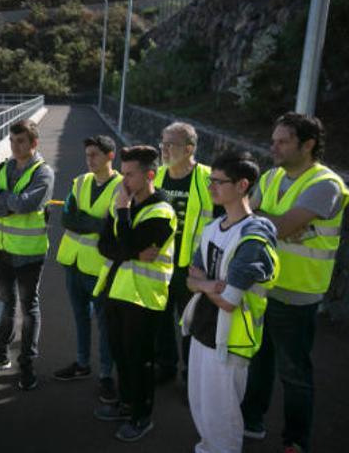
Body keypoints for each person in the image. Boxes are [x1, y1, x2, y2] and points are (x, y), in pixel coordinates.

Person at [241, 113, 349, 453]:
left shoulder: (325, 184)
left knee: (294, 372)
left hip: (297, 294)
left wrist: (264, 220)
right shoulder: (273, 176)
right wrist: (271, 222)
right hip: (264, 287)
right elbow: (244, 218)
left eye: (283, 141)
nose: (273, 146)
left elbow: (275, 225)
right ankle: (252, 421)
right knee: (258, 359)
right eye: (273, 140)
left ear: (308, 145)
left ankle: (295, 441)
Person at [182, 151, 278, 453]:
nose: (211, 187)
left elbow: (228, 301)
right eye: (211, 181)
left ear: (242, 185)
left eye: (218, 182)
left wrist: (203, 284)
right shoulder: (214, 227)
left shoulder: (254, 236)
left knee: (222, 415)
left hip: (230, 339)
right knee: (201, 404)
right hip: (202, 329)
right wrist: (207, 284)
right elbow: (190, 279)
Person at [92, 145, 176, 442]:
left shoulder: (162, 210)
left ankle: (142, 416)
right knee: (120, 354)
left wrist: (123, 216)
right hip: (116, 291)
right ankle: (126, 403)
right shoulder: (124, 203)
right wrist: (130, 250)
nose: (123, 181)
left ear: (149, 175)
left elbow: (124, 245)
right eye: (123, 173)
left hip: (144, 297)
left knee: (139, 359)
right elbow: (105, 245)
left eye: (129, 175)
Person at [0, 119, 55, 391]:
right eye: (12, 140)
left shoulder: (43, 173)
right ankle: (0, 355)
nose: (15, 145)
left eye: (21, 140)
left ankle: (27, 365)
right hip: (0, 251)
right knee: (5, 305)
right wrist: (8, 202)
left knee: (28, 308)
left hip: (28, 254)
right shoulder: (0, 169)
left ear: (33, 143)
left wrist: (2, 198)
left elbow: (26, 205)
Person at [54, 135, 123, 404]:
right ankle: (82, 363)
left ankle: (106, 375)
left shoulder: (121, 186)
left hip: (99, 268)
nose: (89, 160)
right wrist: (97, 222)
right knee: (80, 316)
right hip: (73, 261)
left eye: (95, 154)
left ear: (110, 156)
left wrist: (88, 222)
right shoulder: (80, 182)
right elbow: (67, 218)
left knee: (105, 324)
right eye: (87, 155)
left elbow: (114, 228)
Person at [154, 122, 219, 384]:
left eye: (171, 144)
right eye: (163, 142)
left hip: (193, 268)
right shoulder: (157, 175)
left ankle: (191, 377)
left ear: (189, 148)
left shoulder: (208, 178)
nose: (165, 149)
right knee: (160, 320)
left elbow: (221, 220)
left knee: (191, 325)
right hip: (160, 265)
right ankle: (166, 366)